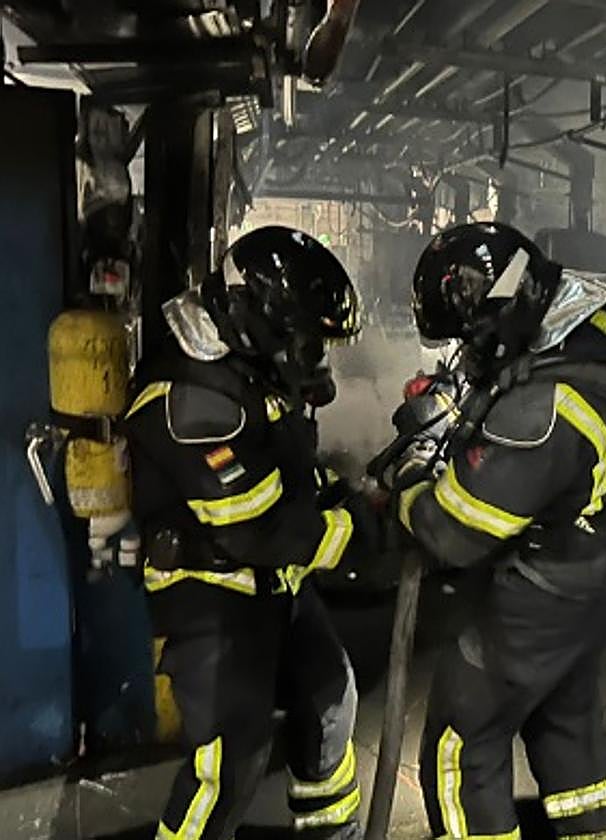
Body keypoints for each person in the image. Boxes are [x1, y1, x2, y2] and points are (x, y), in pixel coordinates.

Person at [396, 222, 606, 840]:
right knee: (569, 738)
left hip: (541, 600)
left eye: (475, 332)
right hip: (601, 576)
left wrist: (410, 481)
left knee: (462, 745)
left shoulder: (543, 409)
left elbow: (451, 531)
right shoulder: (593, 335)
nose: (472, 348)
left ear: (502, 305)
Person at [123, 226, 376, 840]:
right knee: (230, 764)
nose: (314, 357)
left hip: (275, 587)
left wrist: (338, 494)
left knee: (330, 703)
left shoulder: (248, 369)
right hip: (211, 598)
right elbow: (253, 526)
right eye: (308, 340)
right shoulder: (187, 397)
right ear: (259, 320)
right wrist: (361, 536)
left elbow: (282, 469)